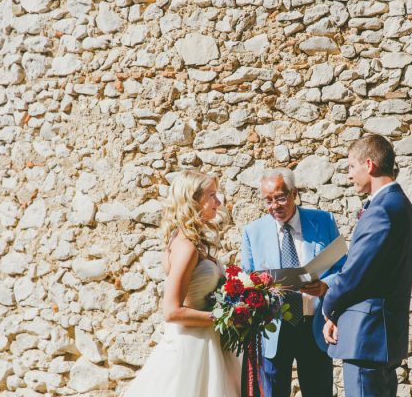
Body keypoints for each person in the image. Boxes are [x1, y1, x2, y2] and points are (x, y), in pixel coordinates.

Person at [123, 170, 241, 397]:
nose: (218, 202)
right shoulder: (186, 247)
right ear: (193, 200)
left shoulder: (187, 239)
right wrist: (226, 317)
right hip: (192, 347)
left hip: (206, 342)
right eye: (211, 195)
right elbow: (172, 311)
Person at [322, 135, 412, 397]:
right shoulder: (400, 205)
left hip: (366, 337)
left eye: (352, 167)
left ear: (369, 164)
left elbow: (355, 273)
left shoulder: (381, 209)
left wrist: (329, 308)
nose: (348, 175)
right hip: (381, 336)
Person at [240, 168, 346, 397]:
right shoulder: (252, 232)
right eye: (268, 200)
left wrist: (325, 285)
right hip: (274, 327)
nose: (275, 206)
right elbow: (247, 279)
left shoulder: (323, 221)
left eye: (280, 197)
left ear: (294, 193)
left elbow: (343, 268)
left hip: (315, 324)